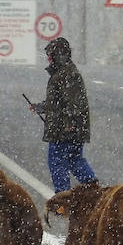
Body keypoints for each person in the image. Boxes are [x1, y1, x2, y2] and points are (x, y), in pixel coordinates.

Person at [29, 37, 98, 193]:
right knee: (74, 159)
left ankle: (63, 196)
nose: (49, 59)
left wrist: (69, 124)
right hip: (68, 128)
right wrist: (41, 107)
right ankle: (92, 188)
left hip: (64, 130)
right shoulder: (64, 74)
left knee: (57, 161)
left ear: (59, 55)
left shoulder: (67, 75)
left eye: (51, 55)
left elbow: (74, 104)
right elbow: (58, 102)